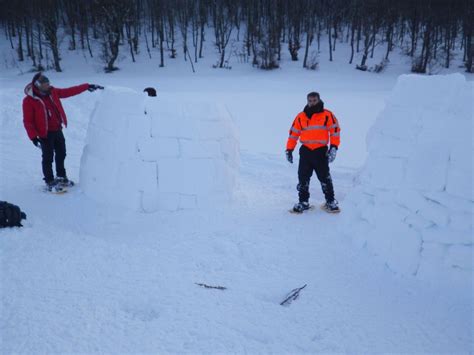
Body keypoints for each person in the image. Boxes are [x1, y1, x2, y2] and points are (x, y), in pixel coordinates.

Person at [22, 73, 103, 192]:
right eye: (45, 85)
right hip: (44, 133)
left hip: (57, 129)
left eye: (48, 84)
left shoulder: (52, 92)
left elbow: (69, 91)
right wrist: (33, 137)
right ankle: (49, 181)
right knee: (48, 157)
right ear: (38, 86)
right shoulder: (29, 101)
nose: (48, 86)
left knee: (61, 153)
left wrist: (86, 87)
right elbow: (28, 121)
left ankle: (61, 176)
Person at [285, 92, 341, 213]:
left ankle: (330, 201)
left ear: (319, 100)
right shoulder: (301, 116)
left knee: (324, 177)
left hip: (320, 151)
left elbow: (335, 131)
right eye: (310, 101)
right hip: (305, 151)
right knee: (303, 177)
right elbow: (293, 134)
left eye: (314, 100)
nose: (312, 103)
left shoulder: (327, 115)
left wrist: (334, 147)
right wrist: (289, 149)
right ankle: (303, 202)